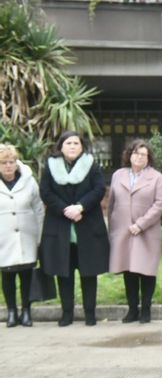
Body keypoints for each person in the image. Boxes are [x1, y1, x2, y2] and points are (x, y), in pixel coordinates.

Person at [39, 131, 110, 327]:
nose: (72, 146)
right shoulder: (51, 167)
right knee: (65, 274)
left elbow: (98, 189)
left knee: (89, 274)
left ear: (82, 146)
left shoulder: (91, 165)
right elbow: (45, 191)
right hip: (60, 226)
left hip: (87, 225)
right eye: (68, 143)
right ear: (61, 146)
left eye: (76, 143)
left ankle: (90, 314)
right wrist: (65, 209)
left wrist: (80, 207)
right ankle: (67, 314)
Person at [107, 140, 162, 324]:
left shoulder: (156, 177)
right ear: (129, 154)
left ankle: (146, 309)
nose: (139, 157)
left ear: (148, 158)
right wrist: (112, 227)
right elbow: (111, 203)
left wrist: (141, 224)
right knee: (129, 270)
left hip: (146, 231)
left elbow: (160, 204)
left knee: (146, 270)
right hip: (123, 230)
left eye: (143, 154)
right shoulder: (118, 175)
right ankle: (132, 309)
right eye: (136, 153)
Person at [0, 144, 44, 327]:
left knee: (26, 274)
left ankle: (26, 311)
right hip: (4, 236)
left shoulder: (29, 181)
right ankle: (11, 311)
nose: (8, 166)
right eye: (4, 163)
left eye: (11, 162)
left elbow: (39, 208)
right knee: (7, 275)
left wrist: (39, 235)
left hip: (27, 233)